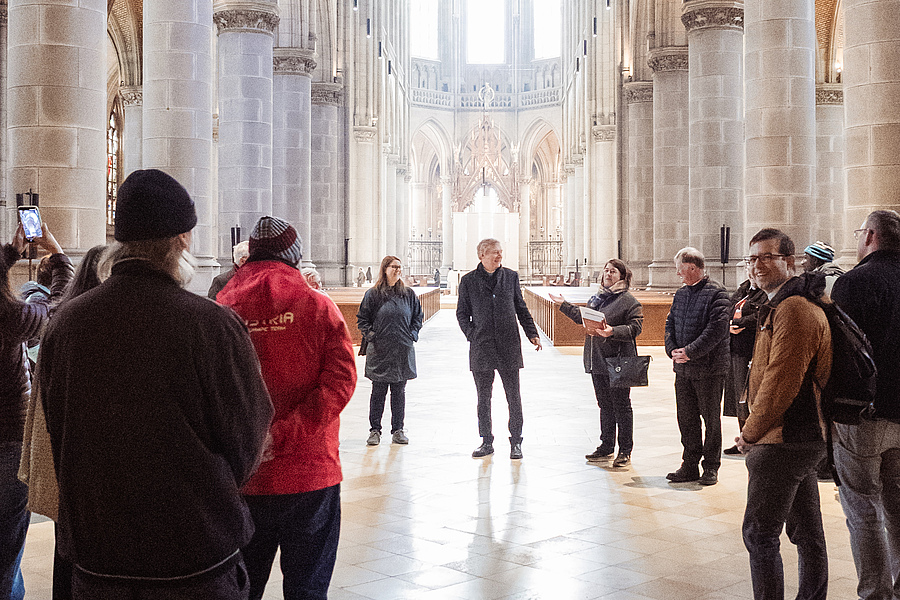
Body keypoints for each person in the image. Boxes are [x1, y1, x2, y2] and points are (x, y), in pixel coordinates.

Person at [39, 169, 273, 600]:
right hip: (194, 564)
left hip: (98, 564)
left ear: (121, 239)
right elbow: (247, 441)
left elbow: (59, 433)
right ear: (183, 239)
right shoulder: (211, 324)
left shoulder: (66, 324)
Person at [218, 216, 357, 600]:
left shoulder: (221, 308)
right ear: (295, 257)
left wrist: (249, 441)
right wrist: (281, 437)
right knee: (307, 590)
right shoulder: (318, 306)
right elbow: (340, 381)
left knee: (243, 589)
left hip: (244, 475)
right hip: (311, 473)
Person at [736, 228, 831, 600]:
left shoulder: (794, 307)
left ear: (788, 261)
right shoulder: (781, 302)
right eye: (752, 258)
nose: (756, 266)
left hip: (785, 438)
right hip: (797, 438)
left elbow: (781, 381)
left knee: (759, 534)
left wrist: (751, 432)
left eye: (766, 257)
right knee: (807, 534)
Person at [19, 243, 106, 600]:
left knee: (65, 549)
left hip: (63, 460)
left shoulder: (64, 320)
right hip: (87, 462)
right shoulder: (90, 325)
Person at [830, 210, 900, 600]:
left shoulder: (854, 282)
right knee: (898, 503)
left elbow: (842, 357)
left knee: (863, 506)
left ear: (870, 236)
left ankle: (876, 593)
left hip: (864, 415)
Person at [1, 223, 71, 600]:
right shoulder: (9, 316)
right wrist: (58, 256)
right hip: (7, 438)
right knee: (7, 544)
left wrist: (9, 254)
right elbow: (58, 307)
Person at [550, 259, 643, 467]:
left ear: (622, 276)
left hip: (617, 361)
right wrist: (563, 305)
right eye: (606, 271)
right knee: (605, 406)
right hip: (597, 360)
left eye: (613, 271)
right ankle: (606, 446)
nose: (608, 274)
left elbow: (635, 328)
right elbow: (583, 317)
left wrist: (613, 331)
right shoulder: (596, 298)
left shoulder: (629, 301)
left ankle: (625, 451)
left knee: (622, 406)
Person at [456, 238, 542, 460]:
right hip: (482, 346)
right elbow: (462, 313)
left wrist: (532, 333)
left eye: (501, 253)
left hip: (508, 345)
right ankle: (486, 441)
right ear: (481, 255)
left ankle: (516, 442)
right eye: (494, 253)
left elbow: (521, 308)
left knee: (513, 396)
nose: (499, 257)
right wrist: (472, 334)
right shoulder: (468, 281)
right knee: (483, 398)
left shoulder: (511, 277)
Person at [664, 247, 730, 485]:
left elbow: (716, 330)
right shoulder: (681, 294)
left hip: (709, 369)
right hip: (683, 369)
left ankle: (711, 467)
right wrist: (671, 349)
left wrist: (690, 352)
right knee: (687, 418)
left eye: (679, 268)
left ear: (692, 267)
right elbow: (670, 322)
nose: (677, 273)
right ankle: (689, 464)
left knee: (711, 420)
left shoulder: (718, 293)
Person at [357, 256, 424, 446]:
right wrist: (371, 336)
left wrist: (412, 334)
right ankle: (375, 430)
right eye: (394, 267)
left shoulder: (408, 294)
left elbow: (418, 316)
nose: (397, 270)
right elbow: (363, 319)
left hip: (402, 349)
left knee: (399, 392)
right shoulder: (373, 294)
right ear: (385, 269)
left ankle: (398, 430)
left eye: (399, 267)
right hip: (380, 349)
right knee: (378, 392)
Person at [722, 269, 767, 455]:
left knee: (748, 396)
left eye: (754, 272)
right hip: (734, 349)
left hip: (751, 350)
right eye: (749, 270)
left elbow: (762, 314)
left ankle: (752, 438)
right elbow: (728, 309)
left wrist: (741, 324)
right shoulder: (743, 289)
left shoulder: (765, 293)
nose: (751, 274)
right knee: (736, 396)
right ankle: (742, 437)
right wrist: (729, 324)